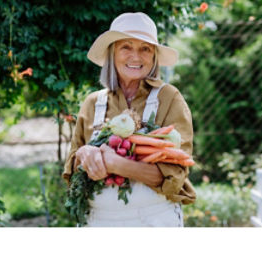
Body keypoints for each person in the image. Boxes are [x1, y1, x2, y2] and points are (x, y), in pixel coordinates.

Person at [62, 12, 196, 227]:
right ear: (112, 52)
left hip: (153, 221)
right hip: (97, 223)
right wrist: (84, 154)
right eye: (126, 47)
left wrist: (116, 164)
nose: (136, 56)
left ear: (153, 57)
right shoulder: (92, 103)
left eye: (145, 48)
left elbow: (171, 177)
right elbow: (73, 172)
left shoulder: (169, 98)